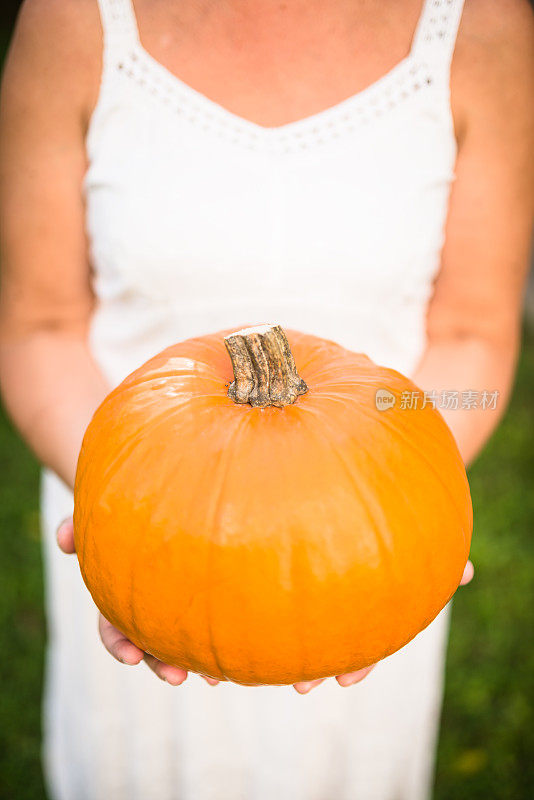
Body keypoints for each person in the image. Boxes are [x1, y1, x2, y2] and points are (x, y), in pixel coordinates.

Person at [0, 0, 533, 797]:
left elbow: (471, 337)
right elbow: (40, 325)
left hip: (361, 549)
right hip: (128, 510)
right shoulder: (72, 18)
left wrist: (403, 504)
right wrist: (128, 508)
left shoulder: (486, 25)